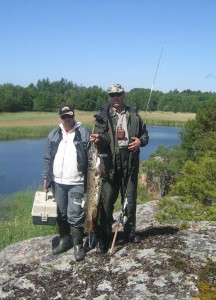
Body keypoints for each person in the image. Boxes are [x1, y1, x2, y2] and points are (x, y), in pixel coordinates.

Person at [90, 84, 149, 252]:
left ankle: (130, 232)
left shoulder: (134, 115)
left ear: (124, 95)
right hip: (109, 165)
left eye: (118, 94)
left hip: (129, 162)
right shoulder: (102, 116)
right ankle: (104, 235)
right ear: (109, 97)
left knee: (129, 200)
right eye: (112, 95)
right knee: (106, 202)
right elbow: (102, 138)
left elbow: (145, 135)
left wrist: (140, 141)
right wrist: (97, 140)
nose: (115, 98)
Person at [43, 105, 91, 261]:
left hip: (77, 181)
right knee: (61, 213)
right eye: (64, 117)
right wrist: (46, 178)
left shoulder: (84, 132)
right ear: (60, 117)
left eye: (70, 116)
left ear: (74, 115)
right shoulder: (53, 134)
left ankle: (78, 245)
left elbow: (92, 157)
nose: (67, 119)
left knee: (75, 214)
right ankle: (65, 241)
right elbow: (47, 158)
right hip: (58, 182)